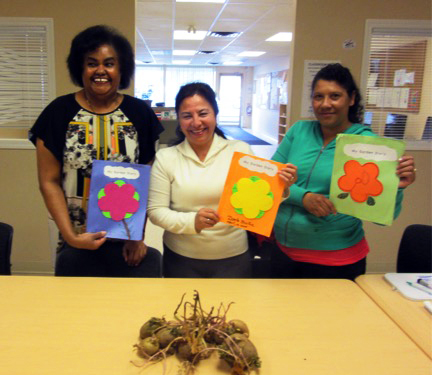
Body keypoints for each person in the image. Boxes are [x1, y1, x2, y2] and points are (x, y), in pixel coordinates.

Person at [29, 25, 163, 277]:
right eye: (92, 63)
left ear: (121, 69)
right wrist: (71, 236)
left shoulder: (139, 114)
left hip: (125, 241)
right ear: (80, 68)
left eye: (109, 63)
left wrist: (137, 236)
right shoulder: (58, 113)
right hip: (75, 239)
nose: (101, 70)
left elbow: (144, 182)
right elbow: (48, 181)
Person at [270, 63, 416, 280]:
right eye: (318, 97)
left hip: (335, 260)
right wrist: (304, 198)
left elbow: (382, 216)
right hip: (282, 251)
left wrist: (397, 188)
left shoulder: (369, 146)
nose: (325, 104)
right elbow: (271, 176)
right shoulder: (299, 130)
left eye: (335, 96)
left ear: (352, 99)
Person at [147, 82, 297, 278]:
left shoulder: (240, 151)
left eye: (203, 113)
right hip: (181, 257)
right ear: (179, 120)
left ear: (215, 115)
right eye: (187, 116)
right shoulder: (166, 157)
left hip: (233, 256)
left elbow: (258, 200)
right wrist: (193, 221)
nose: (196, 122)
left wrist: (281, 187)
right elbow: (156, 211)